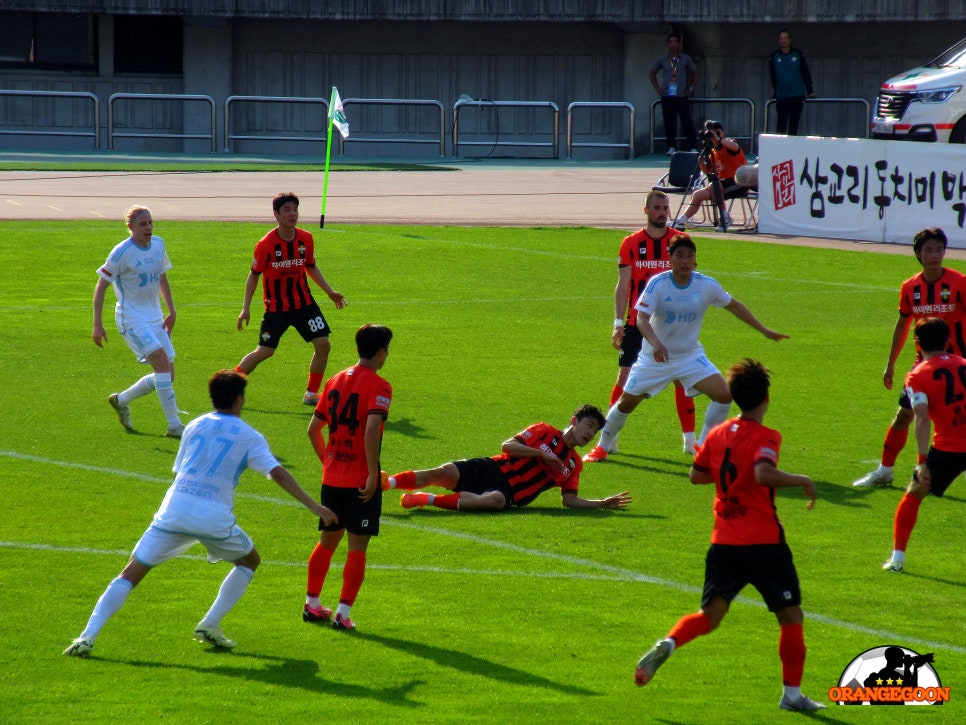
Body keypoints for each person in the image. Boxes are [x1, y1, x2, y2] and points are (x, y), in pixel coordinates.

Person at [63, 370, 336, 657]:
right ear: (240, 399)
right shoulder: (250, 437)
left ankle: (87, 637)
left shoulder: (194, 425)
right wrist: (315, 507)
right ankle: (210, 623)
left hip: (174, 511)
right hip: (213, 518)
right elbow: (277, 473)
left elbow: (181, 470)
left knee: (130, 573)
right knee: (249, 560)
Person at [633, 358, 825, 713]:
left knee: (709, 616)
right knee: (791, 617)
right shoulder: (767, 436)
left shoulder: (718, 434)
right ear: (765, 399)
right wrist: (802, 481)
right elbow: (763, 473)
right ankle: (792, 696)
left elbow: (696, 475)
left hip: (724, 541)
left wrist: (726, 477)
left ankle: (670, 643)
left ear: (735, 397)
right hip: (764, 543)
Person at [584, 235, 787, 463]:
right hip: (654, 359)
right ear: (670, 259)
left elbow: (734, 306)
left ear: (695, 259)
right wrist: (656, 343)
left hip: (690, 357)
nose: (685, 261)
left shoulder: (706, 285)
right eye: (679, 255)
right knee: (626, 404)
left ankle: (702, 446)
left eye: (690, 256)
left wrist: (764, 329)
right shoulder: (658, 284)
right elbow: (641, 319)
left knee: (723, 396)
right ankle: (602, 446)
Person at [853, 228, 966, 488]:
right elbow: (903, 325)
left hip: (960, 365)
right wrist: (890, 363)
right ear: (918, 253)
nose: (935, 255)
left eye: (939, 249)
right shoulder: (910, 287)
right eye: (929, 250)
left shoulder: (960, 283)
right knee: (904, 416)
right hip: (924, 368)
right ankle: (885, 470)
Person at [304, 324, 393, 631]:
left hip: (332, 480)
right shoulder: (381, 387)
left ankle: (312, 604)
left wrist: (328, 462)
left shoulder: (334, 380)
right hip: (359, 483)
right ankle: (342, 613)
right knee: (357, 549)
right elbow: (370, 431)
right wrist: (371, 474)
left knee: (326, 543)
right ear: (381, 352)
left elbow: (313, 430)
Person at [384, 405, 631, 512]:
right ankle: (388, 483)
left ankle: (424, 500)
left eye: (594, 431)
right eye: (588, 426)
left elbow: (569, 500)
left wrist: (601, 503)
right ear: (574, 421)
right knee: (443, 473)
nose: (589, 434)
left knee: (493, 501)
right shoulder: (544, 431)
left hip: (510, 493)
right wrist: (540, 454)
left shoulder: (574, 464)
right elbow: (507, 446)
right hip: (493, 468)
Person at [605, 190, 697, 455]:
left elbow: (691, 280)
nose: (661, 212)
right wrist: (617, 323)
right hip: (637, 323)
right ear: (646, 210)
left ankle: (690, 442)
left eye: (665, 207)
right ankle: (610, 438)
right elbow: (623, 287)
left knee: (682, 378)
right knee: (625, 377)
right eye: (656, 207)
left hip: (672, 326)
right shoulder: (630, 243)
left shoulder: (681, 242)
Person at [236, 192, 347, 406]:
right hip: (277, 308)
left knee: (323, 344)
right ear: (276, 214)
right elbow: (254, 275)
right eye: (287, 210)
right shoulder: (265, 244)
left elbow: (311, 266)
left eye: (295, 209)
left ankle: (311, 394)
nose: (292, 214)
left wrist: (329, 292)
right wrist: (245, 308)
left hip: (304, 304)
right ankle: (230, 385)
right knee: (265, 351)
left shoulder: (306, 238)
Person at [882, 317, 966, 573]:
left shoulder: (917, 376)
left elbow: (920, 416)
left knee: (914, 494)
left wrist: (921, 462)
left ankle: (898, 559)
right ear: (948, 341)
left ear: (917, 344)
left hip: (947, 448)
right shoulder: (964, 363)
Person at [93, 205, 184, 438]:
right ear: (130, 227)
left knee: (167, 374)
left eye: (151, 223)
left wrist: (171, 310)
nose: (149, 228)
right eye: (143, 224)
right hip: (131, 319)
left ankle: (121, 400)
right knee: (162, 364)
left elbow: (162, 277)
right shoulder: (121, 252)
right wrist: (97, 324)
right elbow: (101, 286)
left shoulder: (158, 245)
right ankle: (174, 426)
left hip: (154, 317)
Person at [673, 120, 749, 232]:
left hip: (740, 182)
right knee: (697, 194)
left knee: (714, 186)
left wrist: (718, 139)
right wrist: (701, 163)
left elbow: (735, 147)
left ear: (722, 132)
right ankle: (682, 220)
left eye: (717, 132)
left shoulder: (729, 144)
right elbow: (709, 172)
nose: (714, 135)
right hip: (722, 185)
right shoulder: (713, 152)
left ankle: (725, 218)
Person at [649, 33, 699, 155]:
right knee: (669, 122)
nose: (673, 44)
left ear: (679, 44)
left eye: (675, 42)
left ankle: (692, 146)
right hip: (667, 95)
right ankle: (671, 146)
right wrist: (657, 88)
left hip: (681, 95)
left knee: (686, 121)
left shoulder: (685, 59)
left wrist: (691, 87)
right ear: (667, 44)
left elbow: (695, 72)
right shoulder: (662, 59)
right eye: (671, 42)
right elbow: (652, 72)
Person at [769, 29, 815, 136]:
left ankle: (792, 149)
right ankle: (780, 149)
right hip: (782, 96)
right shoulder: (774, 56)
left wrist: (810, 90)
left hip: (797, 94)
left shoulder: (798, 54)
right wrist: (775, 92)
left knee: (794, 124)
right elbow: (773, 76)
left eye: (785, 38)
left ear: (790, 40)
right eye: (781, 38)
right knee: (781, 124)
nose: (783, 41)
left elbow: (805, 72)